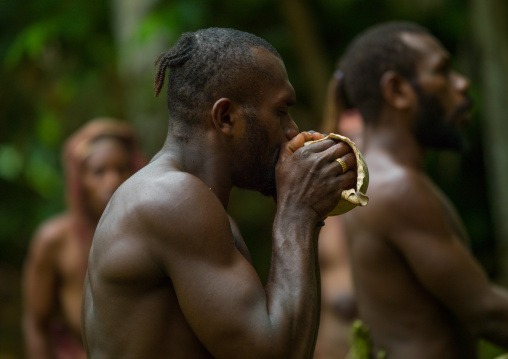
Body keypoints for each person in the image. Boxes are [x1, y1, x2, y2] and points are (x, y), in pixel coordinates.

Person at [81, 27, 358, 358]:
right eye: (282, 111)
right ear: (226, 117)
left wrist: (303, 211)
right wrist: (298, 211)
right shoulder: (173, 198)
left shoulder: (178, 196)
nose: (292, 130)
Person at [338, 22, 508, 358]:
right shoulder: (397, 188)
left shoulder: (379, 178)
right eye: (443, 71)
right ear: (398, 91)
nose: (462, 83)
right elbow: (485, 313)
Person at [22, 119, 146, 359]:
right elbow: (37, 324)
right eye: (99, 172)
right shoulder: (55, 241)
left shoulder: (147, 234)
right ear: (80, 181)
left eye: (122, 169)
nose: (112, 182)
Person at [313, 70, 362, 359]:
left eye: (360, 140)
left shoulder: (396, 197)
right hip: (328, 346)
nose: (355, 148)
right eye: (348, 140)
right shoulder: (318, 199)